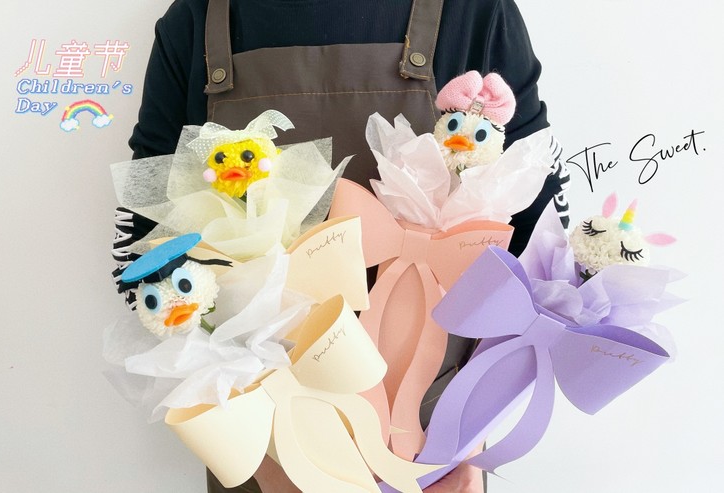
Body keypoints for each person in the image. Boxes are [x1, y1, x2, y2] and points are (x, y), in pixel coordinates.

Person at [119, 1, 570, 491]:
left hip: (435, 440)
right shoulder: (196, 18)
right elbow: (143, 247)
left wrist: (469, 437)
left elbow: (536, 229)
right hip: (258, 432)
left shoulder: (475, 11)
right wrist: (267, 460)